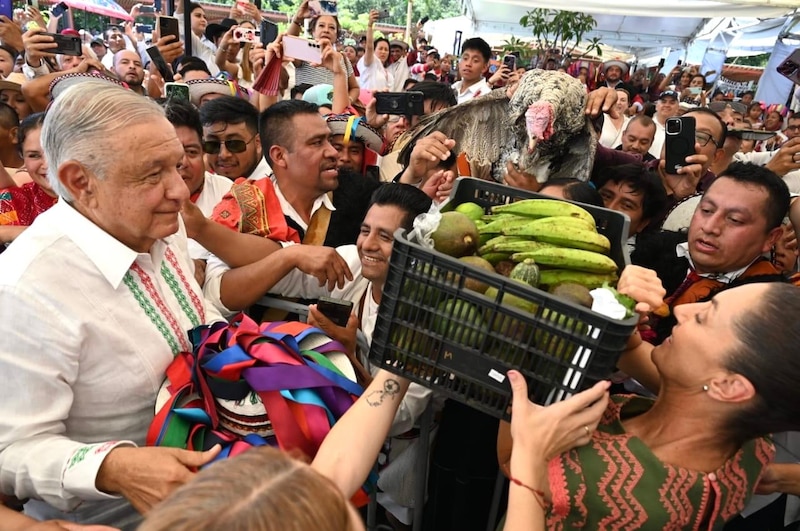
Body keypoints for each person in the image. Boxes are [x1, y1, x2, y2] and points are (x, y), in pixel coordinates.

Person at [0, 82, 225, 528]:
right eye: (152, 174)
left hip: (214, 488)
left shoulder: (161, 221)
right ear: (79, 182)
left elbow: (194, 315)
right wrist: (114, 468)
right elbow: (11, 450)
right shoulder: (24, 289)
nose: (180, 191)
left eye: (178, 167)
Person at [501, 276, 800, 530]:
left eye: (703, 317)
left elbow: (509, 458)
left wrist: (530, 453)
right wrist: (622, 327)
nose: (682, 310)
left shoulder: (617, 495)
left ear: (729, 386)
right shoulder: (751, 442)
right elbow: (636, 355)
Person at [632, 162, 788, 344]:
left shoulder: (763, 305)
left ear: (771, 238)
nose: (710, 227)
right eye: (706, 210)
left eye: (735, 220)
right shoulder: (659, 248)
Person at [0, 112, 57, 245]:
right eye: (34, 156)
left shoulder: (100, 197)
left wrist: (12, 232)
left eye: (54, 152)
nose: (47, 164)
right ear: (22, 157)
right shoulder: (11, 200)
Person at [357, 10, 392, 91]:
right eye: (380, 48)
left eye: (386, 49)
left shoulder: (387, 73)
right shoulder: (369, 63)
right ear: (374, 50)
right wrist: (370, 25)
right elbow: (369, 47)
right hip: (365, 102)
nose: (383, 52)